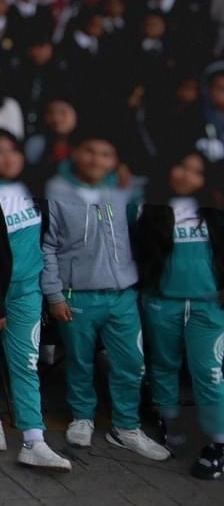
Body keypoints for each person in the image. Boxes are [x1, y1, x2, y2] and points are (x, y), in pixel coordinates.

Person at [42, 132, 172, 461]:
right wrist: (54, 294)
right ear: (76, 153)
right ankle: (81, 417)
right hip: (77, 296)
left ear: (115, 160)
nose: (96, 160)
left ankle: (126, 427)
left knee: (130, 363)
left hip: (122, 295)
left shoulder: (125, 190)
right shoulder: (56, 192)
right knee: (79, 361)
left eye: (105, 154)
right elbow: (48, 246)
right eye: (90, 151)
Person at [0, 130, 70, 471]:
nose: (8, 158)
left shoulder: (34, 190)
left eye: (14, 150)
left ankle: (33, 439)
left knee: (25, 362)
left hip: (27, 291)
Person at [132, 151, 224, 479]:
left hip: (208, 306)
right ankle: (169, 424)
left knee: (209, 372)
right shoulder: (148, 208)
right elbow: (139, 256)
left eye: (195, 171)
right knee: (163, 365)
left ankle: (218, 444)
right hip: (161, 303)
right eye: (181, 167)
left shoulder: (213, 209)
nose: (186, 175)